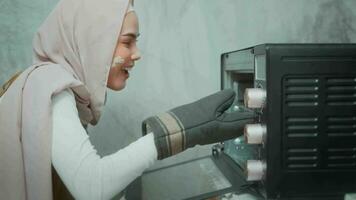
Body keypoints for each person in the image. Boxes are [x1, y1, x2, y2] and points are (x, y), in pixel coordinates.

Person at [0, 0, 255, 199]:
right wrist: (176, 131)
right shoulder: (52, 86)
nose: (136, 54)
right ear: (91, 41)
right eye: (127, 42)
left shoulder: (46, 84)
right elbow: (92, 186)